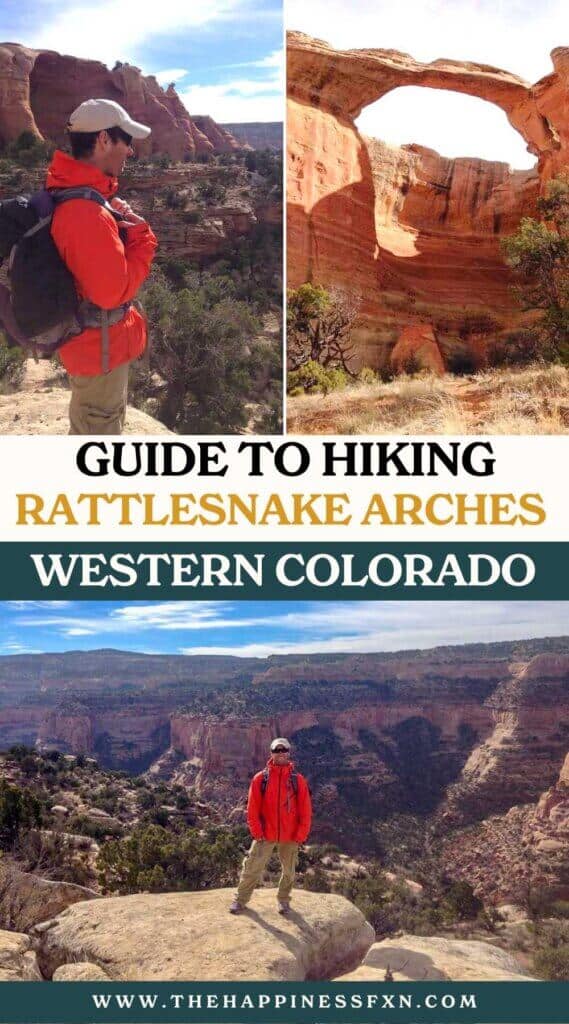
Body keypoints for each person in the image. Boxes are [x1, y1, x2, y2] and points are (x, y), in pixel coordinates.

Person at [46, 98, 158, 433]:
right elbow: (113, 293)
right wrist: (143, 238)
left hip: (94, 346)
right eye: (127, 141)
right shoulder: (85, 211)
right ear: (104, 140)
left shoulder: (78, 196)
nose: (131, 152)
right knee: (97, 436)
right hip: (99, 351)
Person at [229, 737, 312, 915]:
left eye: (284, 750)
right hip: (265, 833)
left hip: (290, 834)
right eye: (277, 750)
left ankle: (283, 900)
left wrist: (301, 834)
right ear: (271, 753)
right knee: (252, 867)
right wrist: (257, 831)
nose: (281, 753)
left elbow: (306, 810)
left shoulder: (298, 780)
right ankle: (240, 900)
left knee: (289, 871)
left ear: (289, 753)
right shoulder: (261, 779)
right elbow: (252, 808)